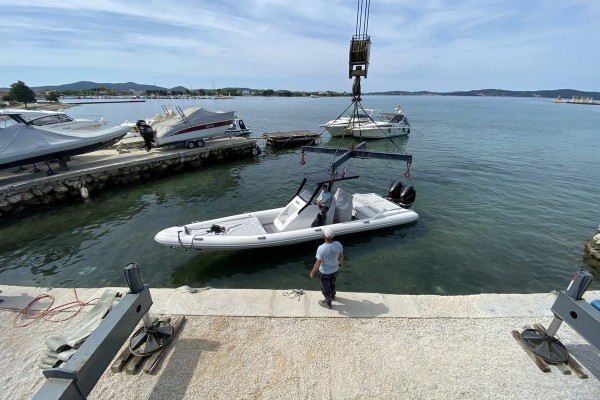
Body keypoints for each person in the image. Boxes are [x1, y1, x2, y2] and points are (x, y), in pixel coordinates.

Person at [309, 227, 343, 309]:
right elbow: (341, 256)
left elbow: (317, 264)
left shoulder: (321, 248)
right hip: (335, 270)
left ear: (324, 236)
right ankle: (333, 295)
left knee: (325, 287)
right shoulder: (338, 244)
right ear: (333, 236)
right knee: (332, 283)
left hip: (325, 272)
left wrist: (312, 273)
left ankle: (328, 302)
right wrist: (340, 264)